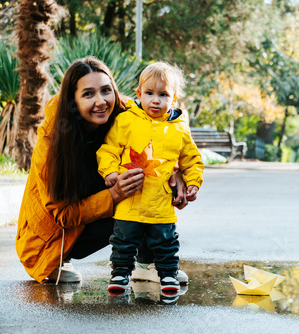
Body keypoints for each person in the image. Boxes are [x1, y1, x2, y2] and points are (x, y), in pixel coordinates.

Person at [15, 57, 191, 285]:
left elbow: (166, 129)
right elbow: (62, 215)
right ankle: (61, 259)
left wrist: (176, 171)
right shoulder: (53, 140)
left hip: (103, 199)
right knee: (128, 193)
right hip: (55, 235)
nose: (101, 102)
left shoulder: (129, 114)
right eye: (88, 94)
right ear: (73, 100)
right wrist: (115, 194)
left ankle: (148, 263)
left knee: (151, 186)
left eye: (106, 90)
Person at [97, 62, 204, 293]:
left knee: (166, 242)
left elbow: (192, 159)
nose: (155, 100)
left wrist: (193, 182)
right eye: (149, 93)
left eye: (163, 95)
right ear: (139, 94)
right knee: (123, 241)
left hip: (161, 203)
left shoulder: (179, 129)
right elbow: (109, 149)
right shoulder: (127, 120)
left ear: (174, 98)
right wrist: (110, 172)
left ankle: (167, 275)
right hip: (130, 200)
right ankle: (120, 274)